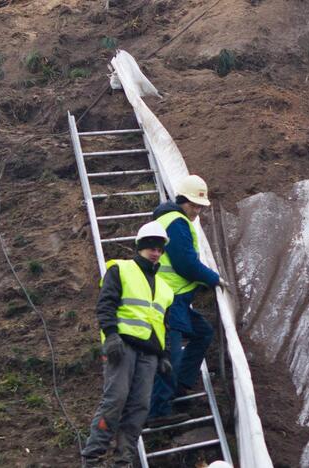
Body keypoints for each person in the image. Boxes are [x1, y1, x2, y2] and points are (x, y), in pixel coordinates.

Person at [81, 222, 174, 467]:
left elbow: (161, 323)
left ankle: (123, 461)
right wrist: (111, 335)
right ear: (139, 246)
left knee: (139, 408)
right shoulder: (120, 270)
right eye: (150, 246)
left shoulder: (165, 288)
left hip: (150, 354)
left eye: (159, 248)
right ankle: (93, 457)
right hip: (122, 346)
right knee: (116, 399)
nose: (155, 251)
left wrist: (163, 354)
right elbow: (106, 304)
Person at [148, 174, 228, 423]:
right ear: (181, 200)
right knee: (169, 354)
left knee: (203, 333)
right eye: (194, 205)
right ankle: (157, 412)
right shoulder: (176, 222)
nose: (197, 211)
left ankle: (180, 384)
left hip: (177, 299)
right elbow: (185, 263)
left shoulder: (175, 220)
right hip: (169, 300)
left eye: (200, 207)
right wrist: (213, 278)